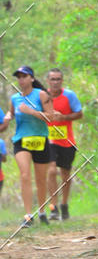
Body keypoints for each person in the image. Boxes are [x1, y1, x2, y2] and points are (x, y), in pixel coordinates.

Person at [1, 65, 57, 228]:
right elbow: (11, 112)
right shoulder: (15, 98)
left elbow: (51, 117)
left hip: (40, 139)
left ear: (32, 78)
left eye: (24, 76)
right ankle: (28, 216)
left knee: (40, 179)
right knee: (25, 175)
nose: (21, 80)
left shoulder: (41, 95)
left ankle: (42, 212)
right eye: (18, 77)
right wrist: (8, 117)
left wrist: (31, 112)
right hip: (21, 140)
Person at [45, 68, 83, 221]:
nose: (55, 82)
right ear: (48, 81)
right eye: (52, 79)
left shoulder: (69, 95)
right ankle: (53, 207)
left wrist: (63, 117)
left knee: (65, 174)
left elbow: (79, 113)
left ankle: (64, 205)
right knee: (51, 171)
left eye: (58, 79)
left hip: (67, 141)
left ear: (62, 81)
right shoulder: (43, 96)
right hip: (49, 140)